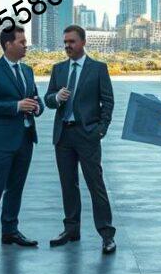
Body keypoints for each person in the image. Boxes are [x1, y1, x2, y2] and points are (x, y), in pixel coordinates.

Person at [44, 25, 117, 254]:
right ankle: (71, 230)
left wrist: (100, 130)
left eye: (72, 41)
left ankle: (106, 234)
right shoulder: (58, 69)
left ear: (83, 42)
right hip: (63, 135)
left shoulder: (98, 69)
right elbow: (47, 99)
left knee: (96, 184)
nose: (67, 46)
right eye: (65, 42)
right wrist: (56, 97)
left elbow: (108, 101)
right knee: (68, 185)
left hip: (88, 135)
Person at [0, 26, 43, 259]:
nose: (26, 45)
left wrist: (36, 106)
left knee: (16, 188)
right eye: (22, 41)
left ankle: (10, 231)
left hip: (25, 139)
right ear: (8, 45)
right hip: (1, 141)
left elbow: (35, 98)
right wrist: (16, 106)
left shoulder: (28, 70)